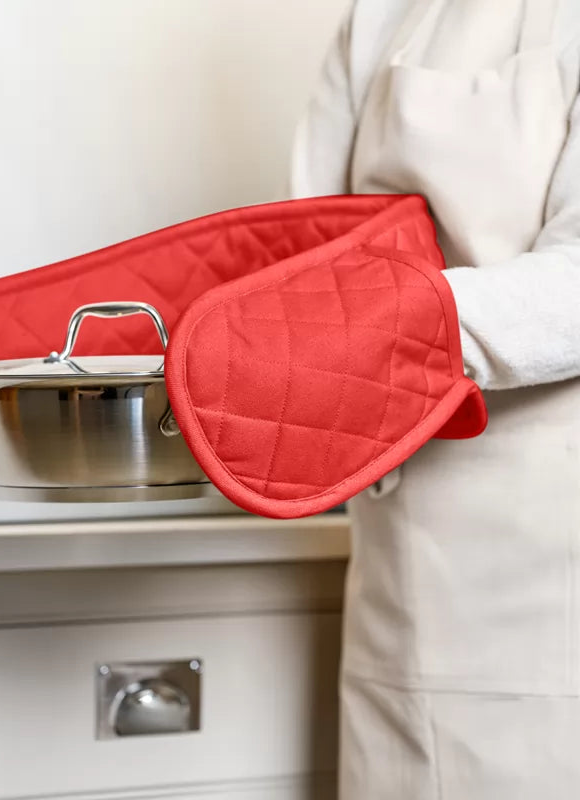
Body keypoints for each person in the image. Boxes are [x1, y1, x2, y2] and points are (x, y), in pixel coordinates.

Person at [290, 1, 580, 797]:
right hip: (402, 551)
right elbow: (307, 246)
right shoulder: (382, 16)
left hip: (552, 554)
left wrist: (383, 329)